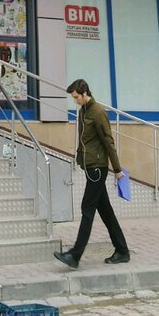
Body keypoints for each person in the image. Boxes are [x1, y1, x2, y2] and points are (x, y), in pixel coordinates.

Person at [54, 77, 130, 268]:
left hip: (97, 168)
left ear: (85, 93)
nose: (75, 101)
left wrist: (117, 169)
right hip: (89, 166)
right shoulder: (83, 111)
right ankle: (122, 251)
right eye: (73, 98)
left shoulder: (98, 112)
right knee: (105, 211)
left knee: (87, 209)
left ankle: (74, 255)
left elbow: (108, 141)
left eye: (76, 97)